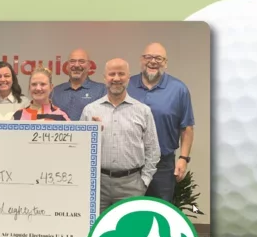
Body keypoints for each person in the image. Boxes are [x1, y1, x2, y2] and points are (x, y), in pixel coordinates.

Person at [81, 58, 161, 213]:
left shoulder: (143, 111)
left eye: (121, 74)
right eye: (112, 74)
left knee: (129, 229)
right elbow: (80, 149)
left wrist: (144, 181)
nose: (116, 78)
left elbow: (153, 149)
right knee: (98, 227)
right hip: (98, 185)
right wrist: (91, 131)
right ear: (105, 78)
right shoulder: (90, 111)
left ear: (128, 78)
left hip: (132, 186)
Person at [127, 42, 195, 202]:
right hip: (130, 164)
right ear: (141, 60)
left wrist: (183, 158)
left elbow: (187, 128)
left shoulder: (179, 89)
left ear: (165, 62)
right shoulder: (127, 85)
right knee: (130, 210)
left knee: (160, 210)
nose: (153, 61)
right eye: (148, 57)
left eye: (158, 58)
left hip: (163, 165)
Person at [51, 48, 107, 120]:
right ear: (67, 66)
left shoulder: (101, 90)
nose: (77, 65)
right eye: (72, 61)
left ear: (89, 66)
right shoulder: (55, 91)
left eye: (81, 61)